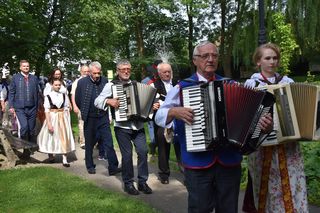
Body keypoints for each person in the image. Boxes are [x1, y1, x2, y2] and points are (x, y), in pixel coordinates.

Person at [154, 41, 273, 213]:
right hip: (197, 164)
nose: (210, 59)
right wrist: (173, 111)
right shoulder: (183, 87)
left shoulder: (231, 85)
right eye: (205, 56)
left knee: (228, 209)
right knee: (199, 208)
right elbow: (159, 116)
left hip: (229, 161)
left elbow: (251, 123)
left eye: (214, 55)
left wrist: (263, 127)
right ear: (195, 60)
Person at [243, 43, 308, 213]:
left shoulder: (288, 82)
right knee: (264, 189)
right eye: (267, 58)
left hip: (288, 147)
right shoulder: (252, 84)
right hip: (262, 147)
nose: (272, 61)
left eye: (275, 58)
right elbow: (244, 118)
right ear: (258, 61)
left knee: (292, 187)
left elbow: (297, 112)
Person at [95, 59, 152, 195]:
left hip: (137, 126)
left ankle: (143, 182)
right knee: (126, 156)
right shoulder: (111, 86)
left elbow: (146, 104)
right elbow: (97, 101)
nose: (126, 71)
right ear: (117, 71)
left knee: (143, 152)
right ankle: (128, 183)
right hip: (122, 127)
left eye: (128, 69)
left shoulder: (136, 84)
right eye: (123, 69)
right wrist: (109, 100)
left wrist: (152, 107)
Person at [75, 61, 120, 175]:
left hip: (103, 117)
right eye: (94, 73)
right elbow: (78, 99)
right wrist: (86, 111)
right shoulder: (82, 82)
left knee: (108, 143)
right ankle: (90, 165)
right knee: (89, 143)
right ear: (89, 72)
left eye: (98, 73)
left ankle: (113, 167)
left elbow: (110, 97)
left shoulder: (105, 81)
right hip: (90, 118)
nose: (97, 76)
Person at [150, 62, 180, 184]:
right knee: (162, 147)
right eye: (165, 72)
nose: (168, 74)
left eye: (169, 71)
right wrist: (153, 106)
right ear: (159, 73)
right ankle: (164, 173)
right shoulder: (153, 86)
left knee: (181, 147)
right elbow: (148, 104)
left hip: (178, 119)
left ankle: (186, 172)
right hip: (163, 121)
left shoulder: (178, 83)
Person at [37, 78, 75, 167]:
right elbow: (47, 110)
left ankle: (64, 159)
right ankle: (51, 156)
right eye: (56, 85)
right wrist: (49, 123)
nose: (58, 86)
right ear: (52, 85)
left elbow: (66, 107)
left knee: (63, 137)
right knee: (51, 136)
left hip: (62, 118)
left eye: (59, 85)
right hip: (52, 117)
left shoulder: (64, 95)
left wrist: (66, 112)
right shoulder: (48, 96)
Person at [8, 60, 39, 159]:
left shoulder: (34, 78)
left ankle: (27, 150)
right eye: (24, 66)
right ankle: (25, 146)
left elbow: (37, 93)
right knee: (24, 127)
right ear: (20, 67)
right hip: (20, 108)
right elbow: (11, 92)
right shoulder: (15, 78)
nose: (26, 68)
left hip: (32, 108)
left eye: (27, 66)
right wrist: (11, 106)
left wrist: (37, 107)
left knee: (31, 129)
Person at [141, 60, 162, 155]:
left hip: (162, 109)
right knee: (151, 126)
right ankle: (153, 145)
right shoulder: (146, 81)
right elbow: (143, 97)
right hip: (150, 109)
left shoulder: (165, 79)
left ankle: (158, 145)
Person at [71, 65, 90, 149]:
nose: (86, 73)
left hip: (90, 107)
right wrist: (74, 106)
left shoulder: (91, 80)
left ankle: (91, 140)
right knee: (82, 124)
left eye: (87, 71)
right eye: (84, 71)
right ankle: (83, 142)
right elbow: (73, 95)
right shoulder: (77, 82)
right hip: (80, 106)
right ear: (81, 72)